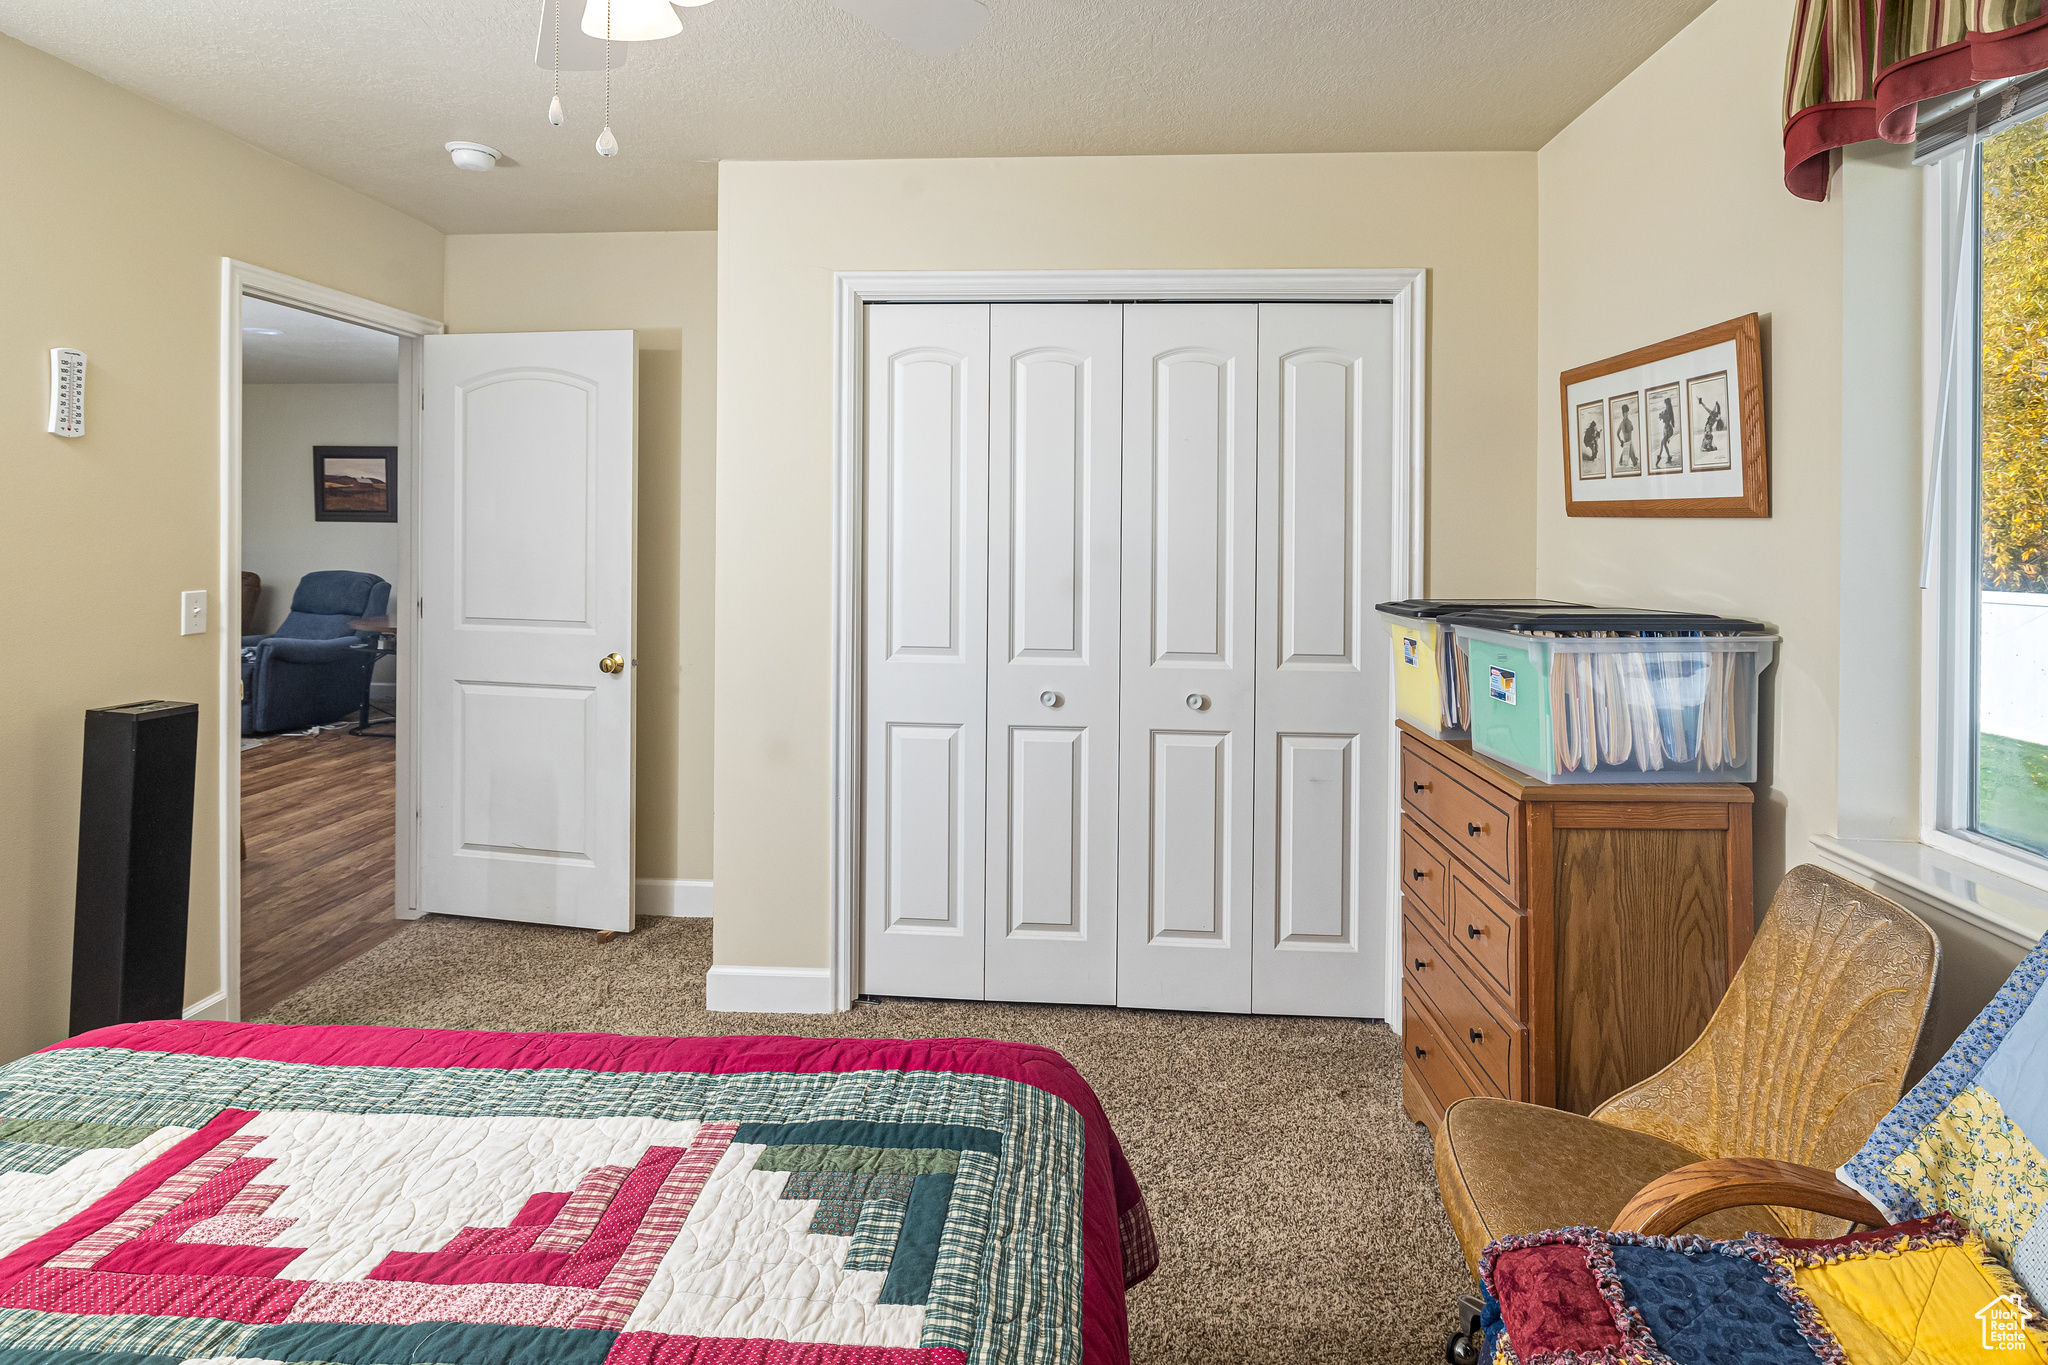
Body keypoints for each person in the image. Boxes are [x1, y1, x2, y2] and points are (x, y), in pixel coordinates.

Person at [1654, 393, 1679, 469]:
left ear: (1668, 404)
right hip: (1667, 429)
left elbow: (1663, 416)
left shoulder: (1668, 413)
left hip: (1668, 430)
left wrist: (1662, 415)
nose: (1666, 406)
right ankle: (1668, 457)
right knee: (1663, 444)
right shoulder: (1668, 411)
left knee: (1663, 443)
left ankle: (1660, 456)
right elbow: (1662, 415)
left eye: (1666, 404)